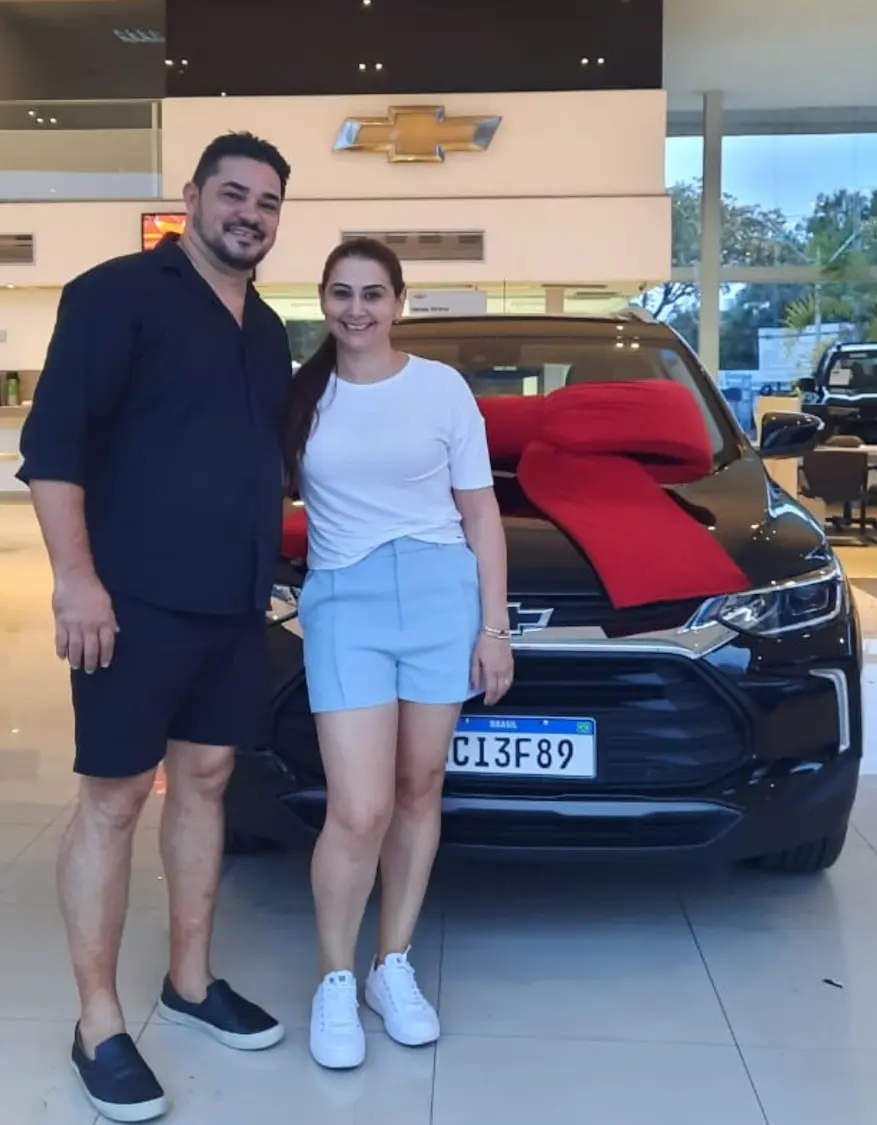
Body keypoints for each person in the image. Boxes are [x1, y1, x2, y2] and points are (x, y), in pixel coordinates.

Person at [17, 132, 294, 1122]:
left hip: (234, 603)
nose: (250, 213)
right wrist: (76, 582)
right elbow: (54, 448)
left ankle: (188, 981)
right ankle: (98, 1022)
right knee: (114, 797)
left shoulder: (267, 329)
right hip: (130, 601)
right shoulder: (114, 295)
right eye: (234, 193)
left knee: (208, 779)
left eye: (268, 202)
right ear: (192, 196)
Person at [282, 237, 514, 1070]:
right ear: (323, 299)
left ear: (398, 301)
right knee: (358, 807)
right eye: (342, 293)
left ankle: (392, 964)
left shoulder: (441, 388)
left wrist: (494, 628)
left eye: (373, 293)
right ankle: (334, 977)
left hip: (442, 598)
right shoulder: (300, 395)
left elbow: (481, 514)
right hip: (344, 605)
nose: (357, 309)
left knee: (420, 787)